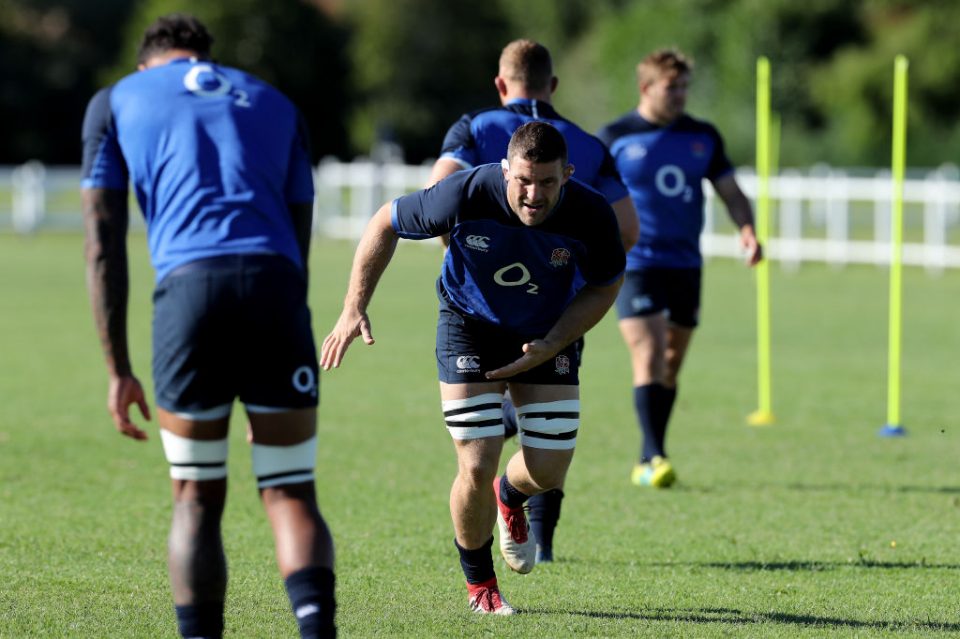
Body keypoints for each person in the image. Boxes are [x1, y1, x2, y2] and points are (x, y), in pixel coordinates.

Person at [81, 14, 335, 638]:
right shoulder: (274, 100)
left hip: (188, 295)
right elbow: (298, 233)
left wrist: (118, 369)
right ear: (206, 56)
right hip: (276, 292)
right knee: (290, 489)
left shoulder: (116, 100)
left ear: (148, 62)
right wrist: (275, 347)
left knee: (195, 497)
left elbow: (102, 244)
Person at [321, 121, 625, 615]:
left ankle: (510, 495)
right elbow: (384, 221)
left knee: (547, 470)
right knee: (476, 461)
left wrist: (554, 342)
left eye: (548, 182)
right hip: (469, 326)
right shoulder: (464, 193)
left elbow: (607, 283)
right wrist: (353, 306)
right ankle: (481, 585)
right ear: (506, 169)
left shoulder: (590, 212)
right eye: (523, 179)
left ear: (567, 175)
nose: (533, 194)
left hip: (546, 332)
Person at [426, 38, 639, 564]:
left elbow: (439, 196)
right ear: (554, 86)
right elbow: (627, 230)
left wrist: (485, 260)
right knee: (522, 449)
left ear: (501, 84)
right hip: (553, 309)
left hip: (484, 306)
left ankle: (511, 494)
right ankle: (521, 545)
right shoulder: (586, 142)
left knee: (538, 452)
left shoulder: (474, 127)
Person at [597, 48, 762, 488]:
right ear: (646, 88)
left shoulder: (703, 136)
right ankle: (654, 455)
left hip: (686, 263)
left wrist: (747, 228)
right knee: (648, 354)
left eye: (685, 87)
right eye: (672, 88)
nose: (680, 95)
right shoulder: (615, 136)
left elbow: (730, 190)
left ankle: (648, 450)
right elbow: (586, 194)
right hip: (636, 261)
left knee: (671, 363)